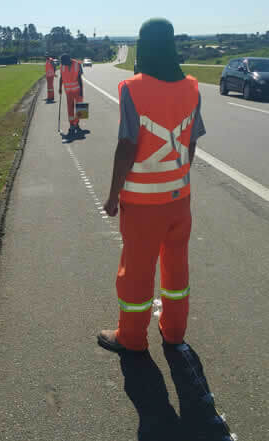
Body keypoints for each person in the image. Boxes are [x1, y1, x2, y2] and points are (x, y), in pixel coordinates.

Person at [98, 18, 206, 353]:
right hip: (179, 201)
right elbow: (190, 142)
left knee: (137, 271)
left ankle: (131, 337)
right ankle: (173, 331)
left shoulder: (133, 88)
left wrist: (113, 194)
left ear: (143, 46)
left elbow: (127, 146)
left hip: (143, 206)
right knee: (176, 266)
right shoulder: (192, 87)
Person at [59, 54, 84, 139]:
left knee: (80, 107)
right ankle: (71, 124)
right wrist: (60, 88)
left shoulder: (77, 64)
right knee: (70, 108)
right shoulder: (62, 65)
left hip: (77, 90)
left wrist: (81, 91)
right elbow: (61, 77)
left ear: (69, 60)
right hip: (68, 91)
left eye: (65, 63)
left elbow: (80, 79)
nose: (64, 65)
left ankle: (77, 123)